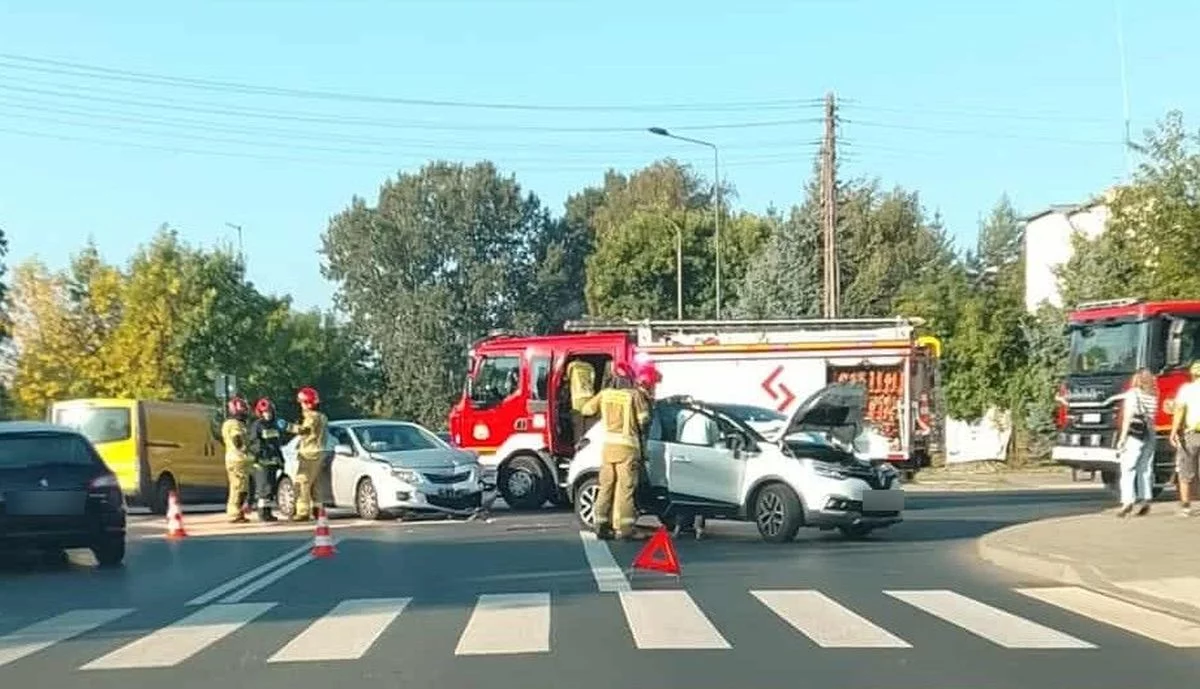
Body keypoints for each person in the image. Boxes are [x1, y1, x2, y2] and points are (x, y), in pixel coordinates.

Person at [581, 362, 651, 541]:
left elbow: (586, 409)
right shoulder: (634, 396)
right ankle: (625, 528)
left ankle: (601, 524)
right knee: (625, 488)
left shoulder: (605, 395)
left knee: (606, 486)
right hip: (627, 448)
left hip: (608, 449)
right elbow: (644, 421)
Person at [1114, 368, 1158, 517]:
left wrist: (1122, 438)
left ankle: (1128, 501)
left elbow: (1128, 417)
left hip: (1135, 434)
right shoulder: (1153, 395)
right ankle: (1146, 498)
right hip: (1151, 433)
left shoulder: (1133, 395)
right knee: (1145, 468)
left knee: (1128, 468)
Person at [287, 387, 329, 522]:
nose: (301, 406)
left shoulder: (311, 416)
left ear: (306, 403)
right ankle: (318, 510)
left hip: (310, 453)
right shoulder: (322, 417)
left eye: (301, 403)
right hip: (320, 452)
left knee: (302, 482)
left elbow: (305, 431)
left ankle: (303, 511)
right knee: (316, 484)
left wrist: (288, 427)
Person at [248, 397, 288, 522]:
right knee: (263, 489)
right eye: (265, 412)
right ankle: (262, 513)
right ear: (260, 413)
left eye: (270, 412)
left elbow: (276, 444)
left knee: (270, 489)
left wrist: (281, 460)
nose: (268, 414)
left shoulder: (275, 425)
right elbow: (254, 444)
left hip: (272, 463)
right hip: (261, 463)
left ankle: (268, 512)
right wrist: (260, 456)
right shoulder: (257, 426)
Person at [1169, 361, 1200, 516]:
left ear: (1192, 374)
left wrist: (1173, 431)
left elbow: (1180, 411)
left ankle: (1186, 507)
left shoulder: (1186, 390)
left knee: (1185, 471)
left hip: (1191, 434)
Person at [221, 396, 252, 524]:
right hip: (237, 459)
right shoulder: (234, 424)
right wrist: (242, 447)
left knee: (239, 487)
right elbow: (236, 438)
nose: (246, 413)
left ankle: (237, 512)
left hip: (236, 459)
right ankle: (234, 513)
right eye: (244, 410)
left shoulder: (231, 423)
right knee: (239, 487)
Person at [566, 359, 597, 443]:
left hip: (577, 397)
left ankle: (578, 441)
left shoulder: (572, 364)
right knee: (587, 421)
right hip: (589, 395)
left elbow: (567, 378)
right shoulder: (589, 366)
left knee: (577, 421)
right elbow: (593, 380)